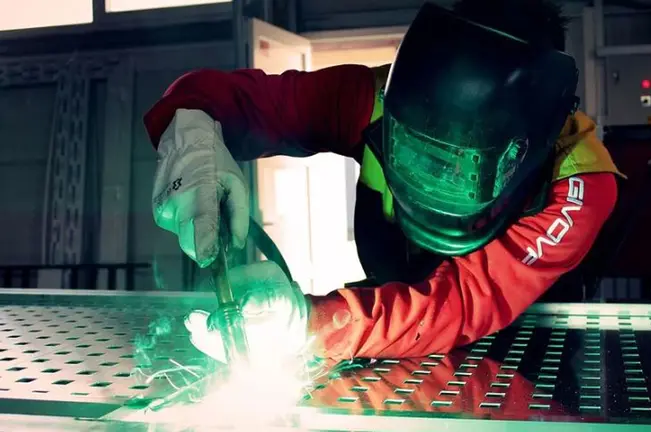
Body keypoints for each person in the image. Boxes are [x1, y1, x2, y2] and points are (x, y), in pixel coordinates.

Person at [145, 0, 622, 362]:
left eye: (462, 163)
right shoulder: (373, 99)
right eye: (419, 147)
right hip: (388, 330)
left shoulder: (579, 180)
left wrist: (313, 323)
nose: (436, 180)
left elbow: (463, 299)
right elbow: (232, 97)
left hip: (524, 353)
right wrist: (194, 145)